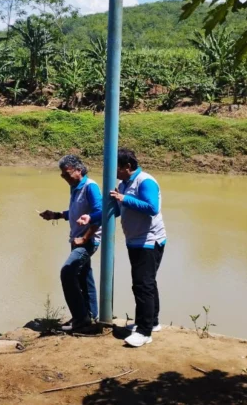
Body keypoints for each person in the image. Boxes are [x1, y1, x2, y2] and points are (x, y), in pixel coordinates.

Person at [110, 148, 167, 348]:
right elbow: (118, 210)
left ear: (127, 167)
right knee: (147, 283)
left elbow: (152, 208)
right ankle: (153, 322)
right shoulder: (123, 184)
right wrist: (91, 218)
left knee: (142, 285)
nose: (113, 171)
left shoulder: (145, 181)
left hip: (149, 241)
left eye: (115, 167)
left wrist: (124, 198)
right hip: (135, 240)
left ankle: (144, 332)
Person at [40, 155, 102, 332]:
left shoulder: (90, 187)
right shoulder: (75, 188)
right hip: (77, 240)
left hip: (87, 241)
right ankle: (90, 316)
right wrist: (57, 215)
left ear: (79, 170)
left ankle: (80, 319)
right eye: (62, 175)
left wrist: (85, 238)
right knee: (84, 277)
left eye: (67, 174)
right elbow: (76, 211)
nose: (64, 178)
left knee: (67, 272)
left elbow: (100, 213)